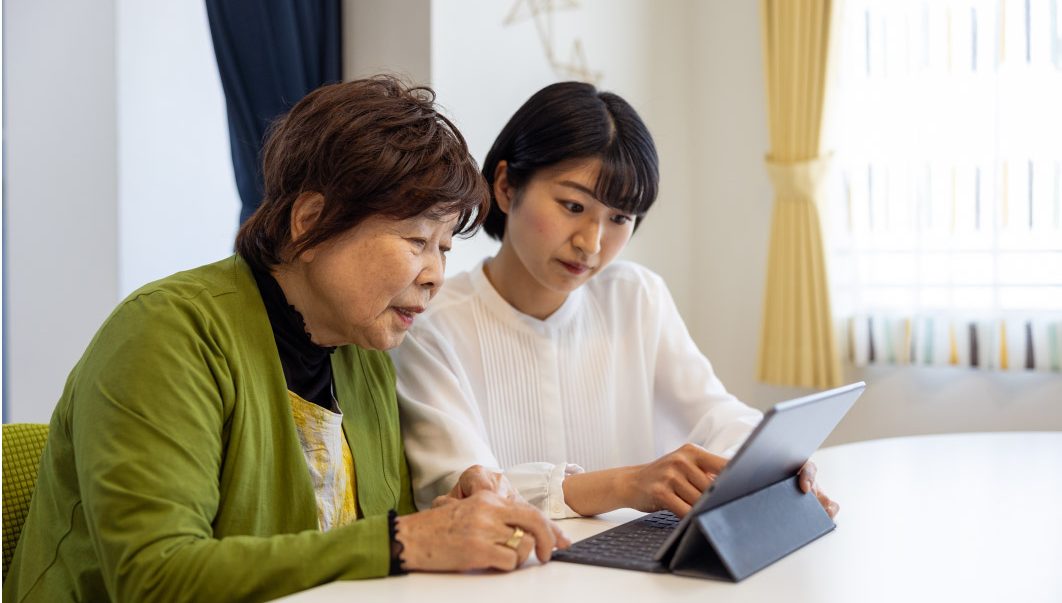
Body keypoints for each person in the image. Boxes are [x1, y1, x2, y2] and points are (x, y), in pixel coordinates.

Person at [3, 76, 567, 603]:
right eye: (416, 238)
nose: (435, 274)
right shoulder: (167, 333)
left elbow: (353, 538)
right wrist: (406, 542)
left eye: (444, 248)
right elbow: (155, 577)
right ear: (310, 221)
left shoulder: (361, 348)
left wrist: (439, 522)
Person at [393, 81, 838, 520]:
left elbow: (717, 415)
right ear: (507, 187)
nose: (591, 242)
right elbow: (461, 489)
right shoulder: (432, 321)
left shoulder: (635, 297)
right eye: (572, 206)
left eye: (620, 217)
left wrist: (767, 464)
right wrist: (628, 484)